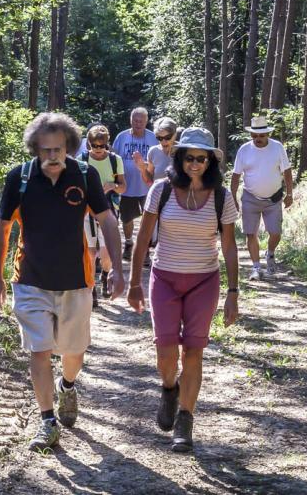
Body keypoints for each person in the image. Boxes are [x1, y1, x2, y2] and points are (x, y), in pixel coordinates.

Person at [0, 113, 127, 453]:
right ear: (35, 148)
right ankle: (47, 420)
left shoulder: (84, 175)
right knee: (39, 349)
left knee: (73, 350)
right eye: (46, 150)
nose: (52, 156)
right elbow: (2, 227)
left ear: (70, 148)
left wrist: (117, 268)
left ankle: (67, 385)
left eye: (59, 149)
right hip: (30, 279)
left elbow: (106, 220)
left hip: (76, 280)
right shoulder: (19, 179)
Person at [128, 127, 241, 453]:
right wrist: (135, 283)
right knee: (165, 351)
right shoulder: (161, 191)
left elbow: (230, 247)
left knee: (194, 350)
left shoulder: (222, 196)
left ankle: (185, 421)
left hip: (204, 281)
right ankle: (168, 389)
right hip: (164, 278)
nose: (195, 164)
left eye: (201, 159)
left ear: (210, 161)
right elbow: (142, 239)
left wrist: (233, 293)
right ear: (179, 158)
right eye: (189, 158)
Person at [229, 116, 294, 281]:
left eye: (261, 136)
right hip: (250, 197)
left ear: (268, 134)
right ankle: (256, 268)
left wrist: (290, 194)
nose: (258, 139)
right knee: (251, 233)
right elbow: (236, 176)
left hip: (274, 198)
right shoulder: (244, 150)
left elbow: (287, 171)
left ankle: (270, 253)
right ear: (251, 135)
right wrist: (234, 198)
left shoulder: (277, 147)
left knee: (276, 232)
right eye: (255, 136)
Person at [83, 124, 125, 305]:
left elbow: (123, 186)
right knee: (90, 253)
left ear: (107, 144)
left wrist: (113, 186)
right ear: (89, 144)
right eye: (95, 146)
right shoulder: (82, 160)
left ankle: (106, 274)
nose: (99, 149)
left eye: (102, 146)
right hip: (86, 212)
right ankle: (90, 289)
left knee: (106, 253)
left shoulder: (115, 160)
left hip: (109, 210)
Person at [111, 107, 157, 260]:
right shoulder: (122, 137)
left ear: (146, 122)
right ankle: (129, 242)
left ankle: (145, 252)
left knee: (149, 219)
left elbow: (158, 160)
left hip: (148, 187)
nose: (138, 124)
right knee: (126, 219)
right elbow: (113, 158)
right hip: (127, 187)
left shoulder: (153, 138)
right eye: (135, 121)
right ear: (131, 121)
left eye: (141, 121)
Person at [139, 117, 179, 186]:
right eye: (160, 138)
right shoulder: (153, 152)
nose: (163, 141)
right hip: (159, 195)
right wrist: (142, 169)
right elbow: (149, 181)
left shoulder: (184, 151)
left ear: (175, 134)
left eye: (167, 137)